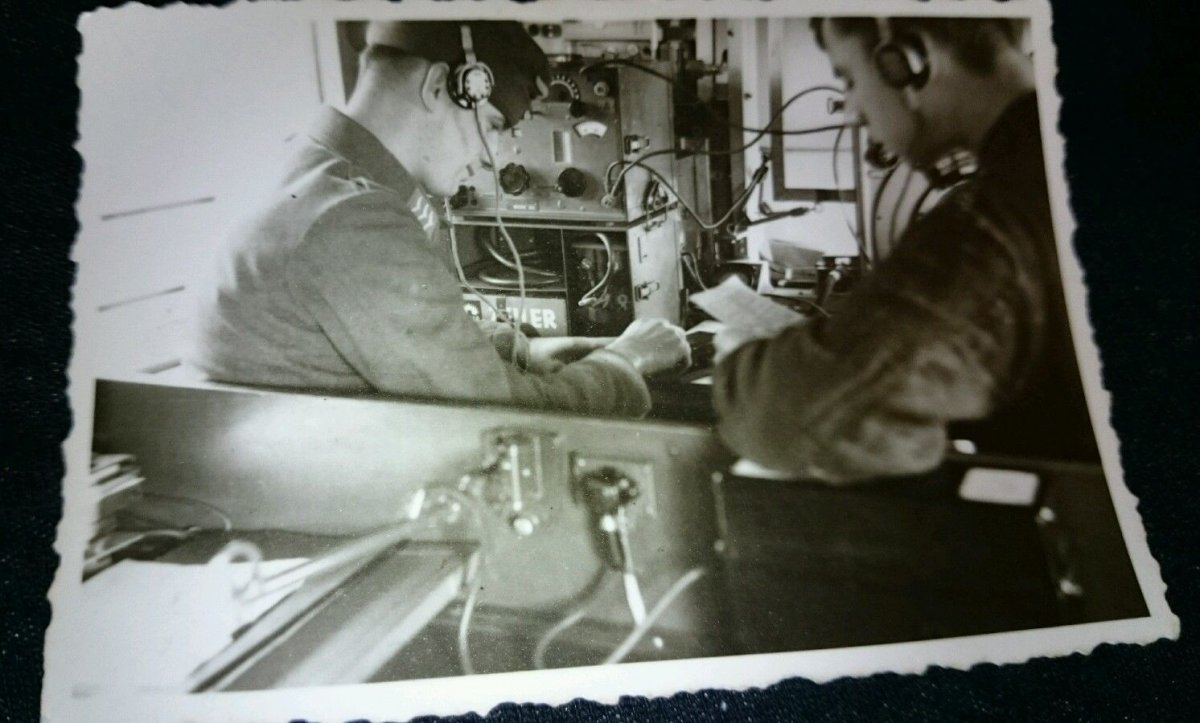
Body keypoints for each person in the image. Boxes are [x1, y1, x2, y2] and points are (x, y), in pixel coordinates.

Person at [193, 21, 688, 416]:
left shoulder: (312, 175)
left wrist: (523, 353)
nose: (495, 157)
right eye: (493, 126)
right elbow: (504, 415)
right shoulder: (352, 220)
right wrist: (625, 361)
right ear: (438, 86)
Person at [712, 17, 1098, 482]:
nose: (853, 110)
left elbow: (793, 417)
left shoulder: (989, 224)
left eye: (849, 78)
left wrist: (743, 364)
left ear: (906, 61)